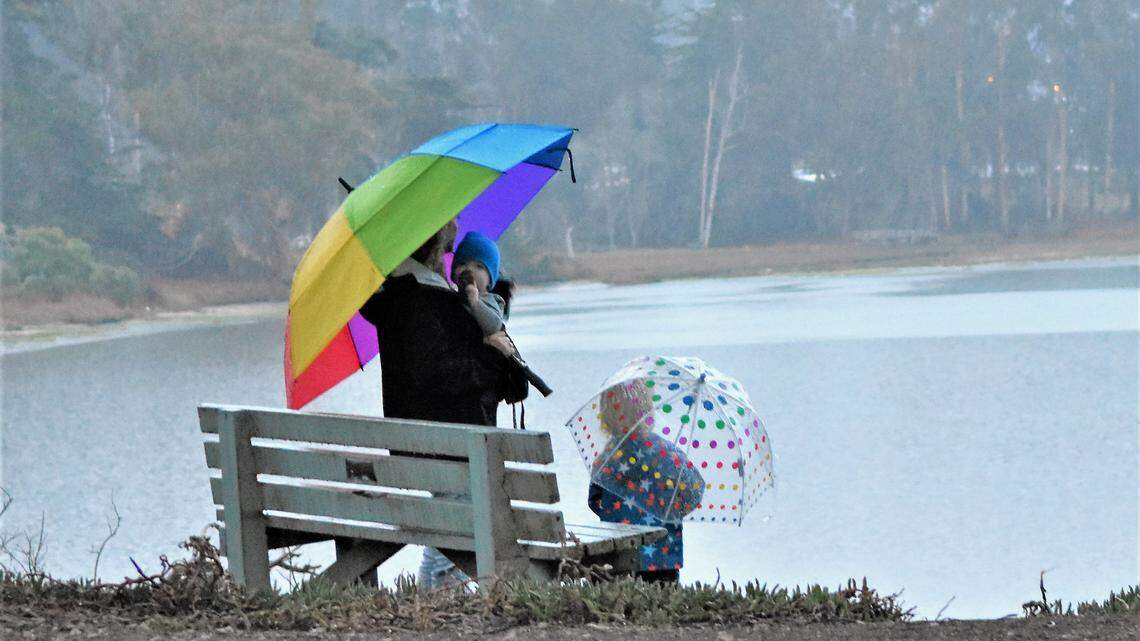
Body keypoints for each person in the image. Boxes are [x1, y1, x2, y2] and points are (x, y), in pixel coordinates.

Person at [358, 221, 527, 587]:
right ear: (432, 245)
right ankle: (442, 596)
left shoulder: (403, 297)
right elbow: (441, 374)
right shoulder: (425, 302)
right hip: (452, 449)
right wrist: (492, 356)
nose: (453, 238)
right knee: (461, 534)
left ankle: (444, 594)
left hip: (422, 445)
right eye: (448, 240)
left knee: (458, 529)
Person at [587, 381, 704, 582]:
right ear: (647, 411)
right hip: (662, 558)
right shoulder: (670, 455)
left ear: (606, 416)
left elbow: (594, 502)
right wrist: (670, 510)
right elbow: (694, 492)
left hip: (617, 558)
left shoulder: (606, 458)